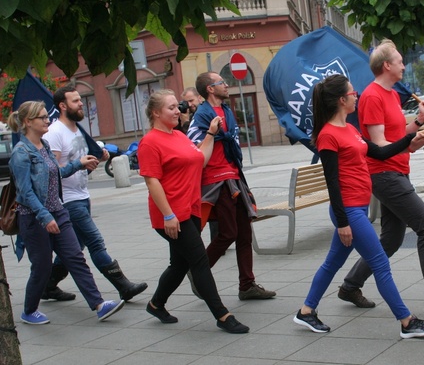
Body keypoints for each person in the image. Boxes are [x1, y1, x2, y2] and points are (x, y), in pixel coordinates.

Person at [293, 74, 424, 338]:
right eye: (352, 92)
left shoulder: (350, 129)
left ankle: (306, 311)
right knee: (381, 263)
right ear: (341, 100)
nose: (356, 94)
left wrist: (412, 138)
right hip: (349, 210)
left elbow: (380, 153)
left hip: (357, 208)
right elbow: (332, 183)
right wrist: (342, 222)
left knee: (331, 264)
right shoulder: (328, 135)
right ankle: (407, 322)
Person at [337, 39, 424, 315]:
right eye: (399, 60)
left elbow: (396, 138)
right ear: (387, 65)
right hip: (384, 174)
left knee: (391, 239)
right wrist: (412, 138)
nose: (403, 64)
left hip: (397, 171)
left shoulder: (392, 95)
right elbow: (379, 146)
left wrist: (419, 124)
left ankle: (350, 285)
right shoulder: (372, 96)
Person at [137, 89, 249, 333]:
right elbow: (152, 181)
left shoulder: (178, 136)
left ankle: (156, 304)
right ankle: (222, 315)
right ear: (156, 113)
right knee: (199, 261)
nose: (178, 110)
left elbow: (200, 158)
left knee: (178, 265)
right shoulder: (150, 142)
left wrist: (210, 134)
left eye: (177, 106)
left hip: (191, 209)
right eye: (171, 107)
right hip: (171, 214)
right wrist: (168, 215)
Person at [8, 101, 125, 325]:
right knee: (42, 267)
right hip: (34, 218)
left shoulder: (43, 145)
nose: (47, 121)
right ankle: (29, 311)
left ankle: (99, 305)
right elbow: (25, 192)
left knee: (75, 258)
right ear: (27, 122)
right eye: (42, 117)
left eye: (46, 117)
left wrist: (78, 164)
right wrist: (45, 217)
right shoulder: (21, 153)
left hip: (58, 211)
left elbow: (55, 174)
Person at [41, 86, 148, 302]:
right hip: (68, 200)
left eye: (80, 100)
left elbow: (80, 159)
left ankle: (47, 285)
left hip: (82, 195)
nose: (81, 104)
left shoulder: (77, 129)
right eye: (76, 101)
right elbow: (51, 174)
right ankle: (123, 286)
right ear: (62, 106)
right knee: (95, 241)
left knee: (76, 246)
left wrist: (95, 158)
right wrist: (79, 164)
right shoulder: (54, 133)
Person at [188, 72, 275, 300]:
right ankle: (198, 272)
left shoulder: (226, 111)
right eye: (221, 83)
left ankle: (247, 285)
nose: (226, 85)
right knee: (228, 233)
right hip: (216, 179)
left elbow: (232, 141)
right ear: (209, 89)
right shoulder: (202, 115)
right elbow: (192, 148)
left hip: (234, 175)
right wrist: (210, 135)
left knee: (244, 232)